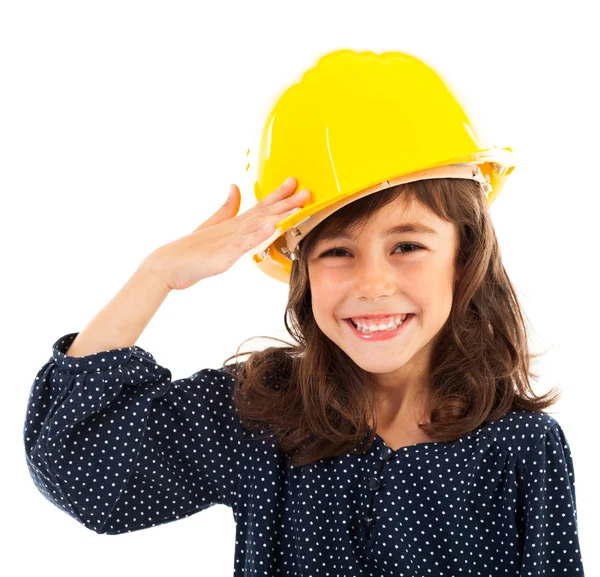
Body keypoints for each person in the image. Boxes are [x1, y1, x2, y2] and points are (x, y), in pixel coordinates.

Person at [23, 49, 585, 575]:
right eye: (337, 251)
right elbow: (80, 467)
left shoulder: (522, 448)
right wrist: (156, 275)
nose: (372, 283)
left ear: (465, 257)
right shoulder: (263, 416)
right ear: (302, 272)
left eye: (407, 245)